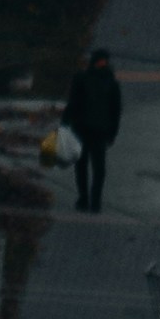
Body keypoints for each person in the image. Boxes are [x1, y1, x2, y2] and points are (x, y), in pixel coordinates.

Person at [61, 46, 123, 215]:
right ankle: (92, 200)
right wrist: (113, 132)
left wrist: (65, 122)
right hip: (97, 130)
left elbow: (73, 102)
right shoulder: (110, 82)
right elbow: (115, 110)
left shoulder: (82, 78)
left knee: (85, 167)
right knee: (96, 168)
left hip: (84, 129)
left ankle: (86, 198)